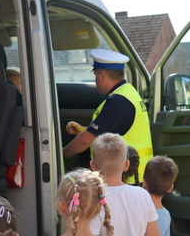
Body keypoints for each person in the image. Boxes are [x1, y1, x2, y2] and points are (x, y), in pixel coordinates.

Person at [63, 48, 153, 179]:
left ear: (102, 75)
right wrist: (83, 130)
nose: (95, 80)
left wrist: (61, 154)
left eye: (96, 75)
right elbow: (114, 130)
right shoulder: (129, 93)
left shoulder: (117, 102)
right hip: (134, 173)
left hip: (125, 176)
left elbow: (85, 141)